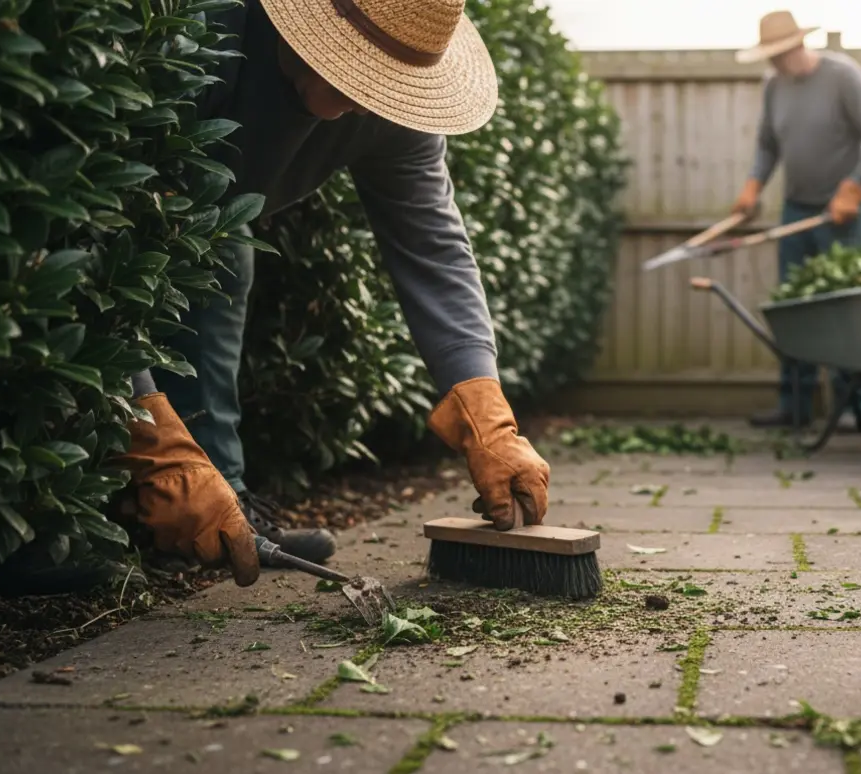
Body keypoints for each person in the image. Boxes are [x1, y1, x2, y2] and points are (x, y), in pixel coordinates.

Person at [107, 0, 552, 587]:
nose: (368, 94)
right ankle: (46, 535)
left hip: (210, 217)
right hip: (100, 213)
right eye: (354, 65)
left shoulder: (397, 106)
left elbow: (434, 250)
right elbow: (79, 238)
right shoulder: (197, 42)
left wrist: (488, 415)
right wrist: (152, 442)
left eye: (385, 76)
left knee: (221, 251)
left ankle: (226, 500)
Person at [730, 10, 861, 430]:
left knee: (843, 307)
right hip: (796, 212)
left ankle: (850, 408)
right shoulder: (774, 86)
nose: (773, 63)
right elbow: (768, 145)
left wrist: (853, 189)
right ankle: (796, 405)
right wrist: (753, 185)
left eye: (778, 55)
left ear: (797, 46)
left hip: (838, 217)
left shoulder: (843, 77)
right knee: (793, 309)